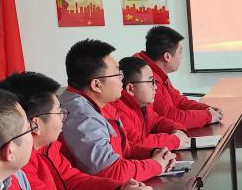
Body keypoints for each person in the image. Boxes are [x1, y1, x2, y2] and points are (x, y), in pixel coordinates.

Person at [0, 70, 153, 190]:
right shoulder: (18, 162)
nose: (63, 117)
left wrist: (120, 188)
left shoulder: (47, 146)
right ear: (35, 125)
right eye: (59, 111)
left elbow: (72, 180)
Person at [58, 38, 176, 181]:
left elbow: (123, 150)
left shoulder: (99, 104)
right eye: (117, 75)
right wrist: (156, 165)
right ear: (96, 85)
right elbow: (111, 171)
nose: (122, 79)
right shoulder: (82, 117)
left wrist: (153, 153)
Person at [134, 26, 222, 130]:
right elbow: (173, 118)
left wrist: (206, 109)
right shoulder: (146, 78)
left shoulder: (156, 71)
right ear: (167, 57)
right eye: (180, 52)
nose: (181, 57)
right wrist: (208, 116)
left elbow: (178, 101)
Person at [113, 55, 189, 152]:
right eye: (151, 82)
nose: (155, 87)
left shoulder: (143, 104)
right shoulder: (119, 111)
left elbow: (156, 121)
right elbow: (138, 143)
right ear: (130, 89)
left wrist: (177, 129)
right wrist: (175, 140)